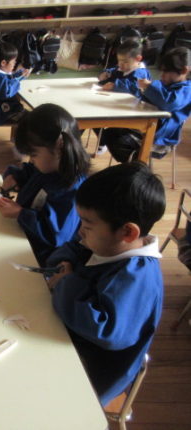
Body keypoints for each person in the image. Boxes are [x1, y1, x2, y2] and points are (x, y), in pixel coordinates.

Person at [46, 162, 165, 407]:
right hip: (65, 337)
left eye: (87, 225)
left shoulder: (137, 277)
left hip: (89, 375)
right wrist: (64, 272)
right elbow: (62, 256)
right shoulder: (104, 242)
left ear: (128, 233)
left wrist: (67, 282)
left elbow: (105, 330)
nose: (80, 231)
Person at [0, 103, 90, 266]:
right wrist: (14, 176)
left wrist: (20, 213)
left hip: (43, 259)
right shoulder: (49, 166)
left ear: (59, 147)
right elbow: (30, 171)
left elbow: (56, 236)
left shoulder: (71, 189)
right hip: (23, 237)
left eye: (34, 155)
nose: (32, 160)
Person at [101, 47, 191, 162]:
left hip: (160, 139)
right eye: (161, 71)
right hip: (145, 126)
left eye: (166, 72)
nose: (162, 75)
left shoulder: (187, 90)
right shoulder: (164, 84)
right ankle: (134, 163)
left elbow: (169, 103)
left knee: (118, 139)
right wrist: (142, 90)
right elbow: (144, 98)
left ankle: (137, 164)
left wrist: (149, 87)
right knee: (110, 132)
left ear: (183, 71)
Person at [95, 39, 152, 155]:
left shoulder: (141, 73)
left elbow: (133, 86)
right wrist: (106, 73)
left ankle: (103, 141)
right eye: (119, 61)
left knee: (96, 119)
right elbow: (114, 70)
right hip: (116, 104)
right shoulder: (124, 67)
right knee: (93, 117)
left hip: (132, 111)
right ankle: (102, 141)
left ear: (138, 59)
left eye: (125, 61)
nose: (120, 64)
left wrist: (115, 85)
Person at [0, 41, 31, 128]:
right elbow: (6, 93)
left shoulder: (0, 75)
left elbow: (10, 78)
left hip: (12, 109)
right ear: (3, 63)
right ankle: (22, 135)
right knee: (33, 119)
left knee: (33, 116)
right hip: (6, 114)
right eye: (13, 62)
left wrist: (21, 75)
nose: (15, 64)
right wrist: (17, 80)